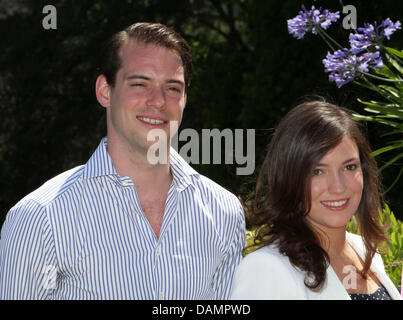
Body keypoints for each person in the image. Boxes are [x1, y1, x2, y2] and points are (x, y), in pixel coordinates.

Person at [0, 22, 245, 300]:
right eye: (140, 84)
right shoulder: (40, 217)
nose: (158, 101)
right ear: (105, 91)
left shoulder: (224, 212)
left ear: (185, 99)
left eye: (173, 88)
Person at [230, 101, 402, 300]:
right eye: (317, 171)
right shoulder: (266, 269)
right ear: (289, 178)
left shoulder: (367, 252)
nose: (338, 187)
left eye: (349, 167)